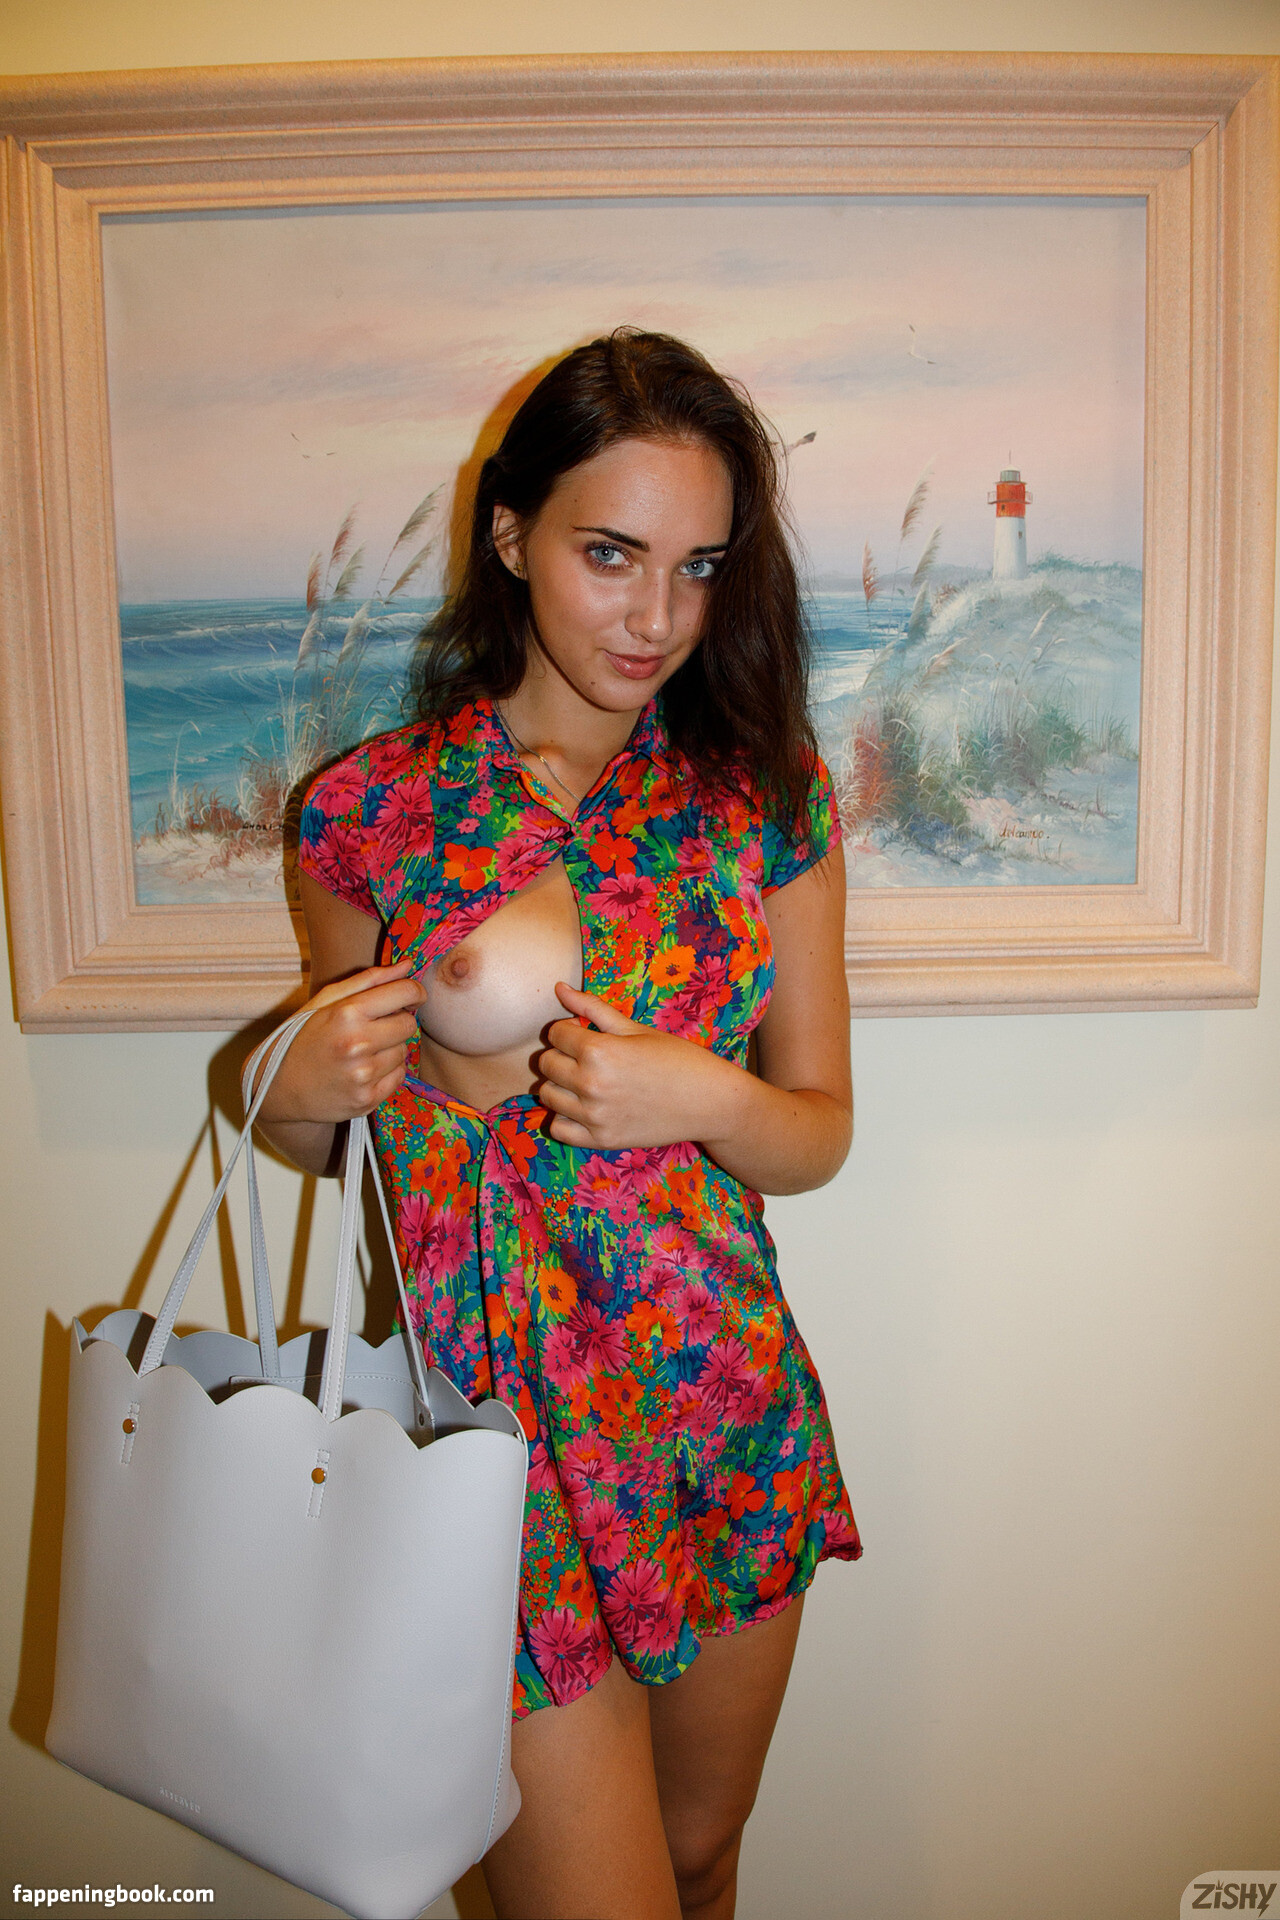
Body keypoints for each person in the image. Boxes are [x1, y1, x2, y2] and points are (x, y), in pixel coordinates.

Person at [256, 328, 862, 1920]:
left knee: (704, 1860)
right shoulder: (371, 808)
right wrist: (288, 1096)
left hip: (722, 1403)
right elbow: (343, 1141)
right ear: (513, 534)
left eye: (697, 566)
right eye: (611, 554)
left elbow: (817, 1133)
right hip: (493, 1446)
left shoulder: (767, 797)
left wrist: (703, 1095)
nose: (656, 616)